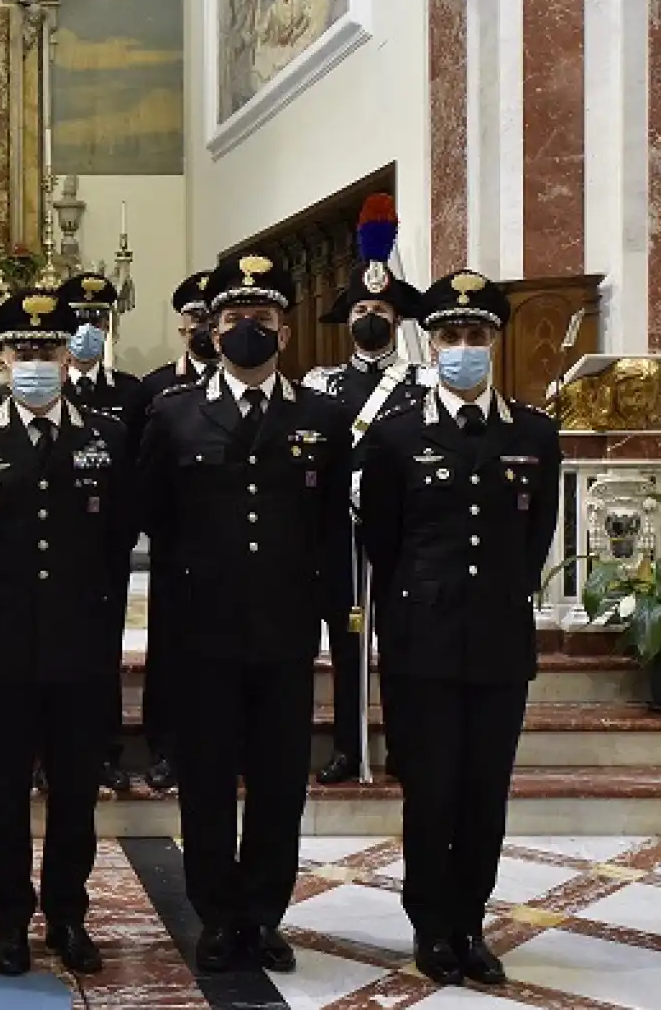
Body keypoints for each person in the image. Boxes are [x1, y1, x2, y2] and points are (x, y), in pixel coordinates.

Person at [137, 254, 353, 974]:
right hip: (202, 633)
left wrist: (328, 620)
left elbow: (330, 531)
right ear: (212, 330)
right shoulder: (173, 414)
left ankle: (264, 914)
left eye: (261, 321)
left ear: (284, 334)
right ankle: (217, 916)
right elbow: (157, 524)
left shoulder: (321, 418)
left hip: (285, 630)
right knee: (204, 781)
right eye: (233, 321)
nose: (246, 331)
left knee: (278, 781)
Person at [358, 271, 560, 987]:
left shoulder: (535, 433)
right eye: (451, 336)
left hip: (501, 641)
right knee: (433, 789)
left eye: (476, 336)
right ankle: (430, 924)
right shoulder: (396, 437)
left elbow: (537, 534)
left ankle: (470, 922)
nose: (463, 348)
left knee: (484, 793)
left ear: (495, 343)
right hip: (423, 641)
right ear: (432, 343)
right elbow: (384, 537)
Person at [0, 285, 134, 977]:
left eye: (47, 349)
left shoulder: (107, 436)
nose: (36, 360)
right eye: (22, 349)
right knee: (3, 798)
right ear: (2, 355)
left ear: (68, 355)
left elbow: (116, 545)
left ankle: (69, 913)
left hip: (79, 650)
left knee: (76, 793)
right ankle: (10, 918)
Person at [301, 195, 434, 786]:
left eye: (379, 307)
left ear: (398, 318)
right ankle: (348, 748)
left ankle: (405, 744)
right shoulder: (320, 383)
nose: (369, 317)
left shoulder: (423, 382)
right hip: (338, 535)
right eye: (360, 308)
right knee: (346, 644)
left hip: (403, 537)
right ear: (347, 318)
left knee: (404, 645)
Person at [56, 272, 145, 792]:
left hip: (99, 552)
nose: (88, 328)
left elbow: (132, 475)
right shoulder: (42, 384)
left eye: (97, 318)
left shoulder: (129, 394)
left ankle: (104, 749)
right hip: (43, 549)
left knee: (100, 655)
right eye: (79, 319)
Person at [137, 270, 218, 793]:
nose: (202, 329)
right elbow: (147, 474)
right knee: (169, 653)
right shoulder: (156, 388)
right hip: (176, 549)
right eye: (193, 320)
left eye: (209, 320)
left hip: (231, 554)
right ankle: (164, 747)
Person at [138, 271, 219, 403]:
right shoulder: (156, 384)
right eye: (198, 318)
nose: (207, 327)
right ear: (182, 330)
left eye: (213, 318)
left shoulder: (246, 376)